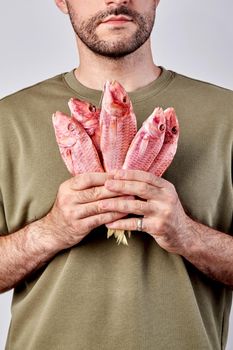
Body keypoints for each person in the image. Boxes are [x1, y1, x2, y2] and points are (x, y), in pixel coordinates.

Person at [0, 0, 232, 349]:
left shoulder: (226, 115)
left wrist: (188, 235)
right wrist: (51, 231)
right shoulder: (7, 121)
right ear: (62, 1)